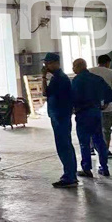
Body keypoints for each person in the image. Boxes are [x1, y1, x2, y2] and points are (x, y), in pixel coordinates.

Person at [41, 52, 78, 188]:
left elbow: (45, 93)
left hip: (60, 115)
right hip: (59, 115)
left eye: (48, 63)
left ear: (56, 63)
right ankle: (70, 174)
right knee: (65, 144)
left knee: (64, 145)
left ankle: (70, 176)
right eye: (45, 63)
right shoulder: (57, 78)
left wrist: (43, 77)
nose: (45, 66)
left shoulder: (59, 79)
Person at [71, 58, 111, 178]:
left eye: (74, 66)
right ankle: (104, 167)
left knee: (84, 142)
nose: (73, 69)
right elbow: (108, 91)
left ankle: (87, 168)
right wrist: (106, 103)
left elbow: (73, 97)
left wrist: (72, 108)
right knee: (99, 140)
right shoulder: (96, 78)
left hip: (83, 114)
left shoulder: (77, 80)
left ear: (79, 66)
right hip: (96, 112)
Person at [91, 54, 112, 159]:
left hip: (91, 107)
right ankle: (105, 151)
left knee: (92, 128)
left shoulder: (89, 71)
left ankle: (91, 148)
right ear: (108, 63)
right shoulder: (111, 72)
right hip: (107, 107)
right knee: (106, 130)